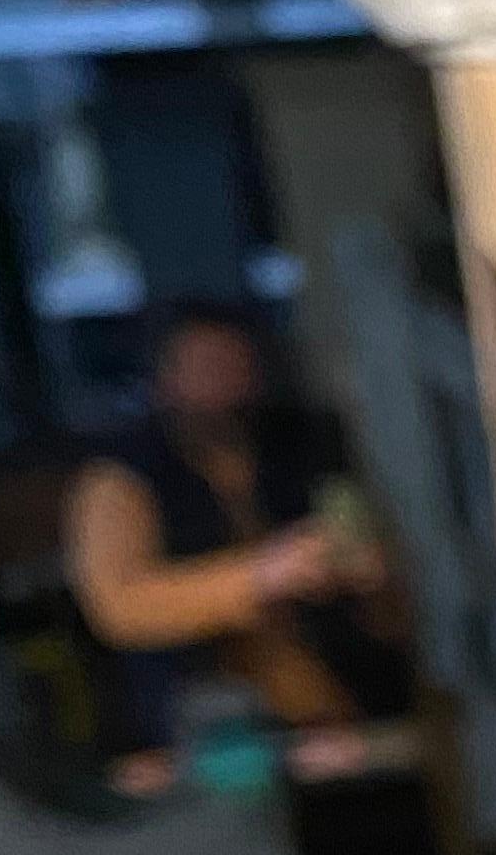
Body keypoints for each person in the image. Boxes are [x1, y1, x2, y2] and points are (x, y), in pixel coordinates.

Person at [65, 305, 409, 783]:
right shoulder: (121, 480)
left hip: (340, 718)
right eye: (204, 368)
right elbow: (118, 605)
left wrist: (364, 571)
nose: (223, 385)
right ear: (166, 379)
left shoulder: (302, 449)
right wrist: (260, 576)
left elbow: (374, 561)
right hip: (199, 738)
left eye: (234, 366)